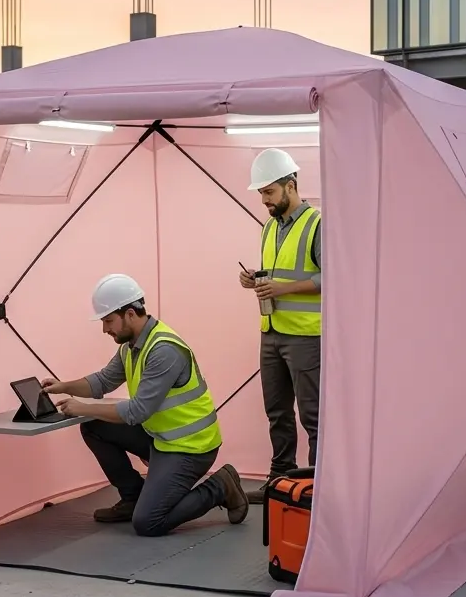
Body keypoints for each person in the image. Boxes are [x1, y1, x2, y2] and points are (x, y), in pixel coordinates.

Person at [42, 273, 249, 535]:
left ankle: (221, 486)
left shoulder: (163, 350)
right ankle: (132, 498)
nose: (105, 329)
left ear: (130, 314)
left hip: (191, 447)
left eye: (108, 320)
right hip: (161, 438)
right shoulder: (131, 346)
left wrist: (82, 408)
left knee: (148, 522)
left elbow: (138, 411)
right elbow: (103, 381)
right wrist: (64, 386)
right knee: (94, 426)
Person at [238, 148, 322, 504]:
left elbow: (335, 276)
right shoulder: (270, 227)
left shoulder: (317, 224)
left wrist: (282, 288)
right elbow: (277, 273)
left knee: (314, 417)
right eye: (261, 193)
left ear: (291, 185)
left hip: (306, 336)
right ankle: (280, 479)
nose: (264, 200)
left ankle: (319, 487)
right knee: (277, 412)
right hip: (271, 332)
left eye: (269, 192)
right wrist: (253, 279)